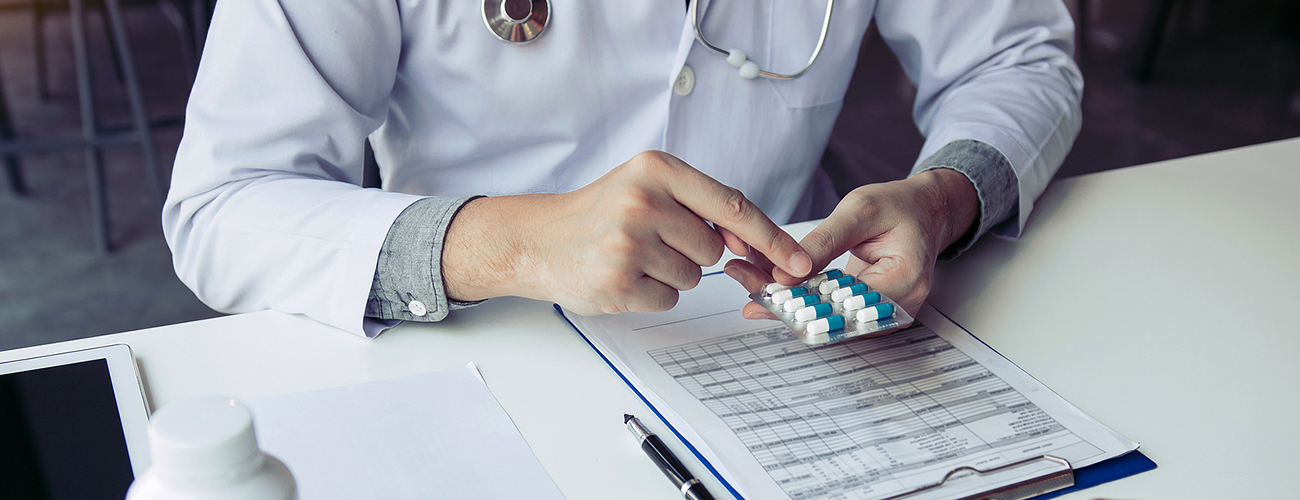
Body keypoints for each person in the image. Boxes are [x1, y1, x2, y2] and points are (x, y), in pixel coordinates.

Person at [163, 0, 1082, 337]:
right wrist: (510, 246)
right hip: (477, 337)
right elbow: (219, 203)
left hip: (770, 337)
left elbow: (1015, 58)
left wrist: (945, 194)